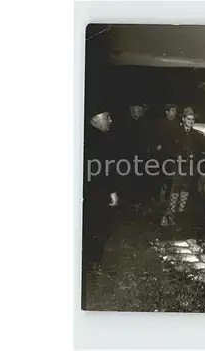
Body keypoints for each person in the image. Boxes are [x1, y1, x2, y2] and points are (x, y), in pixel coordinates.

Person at [82, 107, 119, 308]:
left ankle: (90, 260)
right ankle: (93, 263)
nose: (110, 120)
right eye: (107, 117)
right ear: (95, 119)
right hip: (96, 192)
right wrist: (111, 191)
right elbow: (101, 169)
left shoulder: (88, 135)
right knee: (99, 226)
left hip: (88, 191)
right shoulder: (98, 140)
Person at [152, 104, 180, 203]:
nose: (174, 113)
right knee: (158, 176)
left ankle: (168, 197)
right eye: (172, 110)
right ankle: (156, 197)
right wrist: (157, 145)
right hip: (160, 154)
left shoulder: (177, 124)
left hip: (172, 154)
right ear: (166, 112)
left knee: (170, 177)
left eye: (175, 111)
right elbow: (155, 136)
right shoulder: (160, 122)